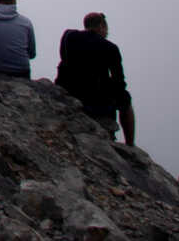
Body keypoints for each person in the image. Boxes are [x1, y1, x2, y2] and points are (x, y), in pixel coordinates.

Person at [56, 12, 136, 143]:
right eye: (106, 29)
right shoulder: (110, 48)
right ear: (101, 26)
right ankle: (130, 144)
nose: (107, 33)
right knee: (125, 99)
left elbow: (64, 58)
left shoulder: (68, 36)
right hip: (94, 98)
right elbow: (119, 82)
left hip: (66, 89)